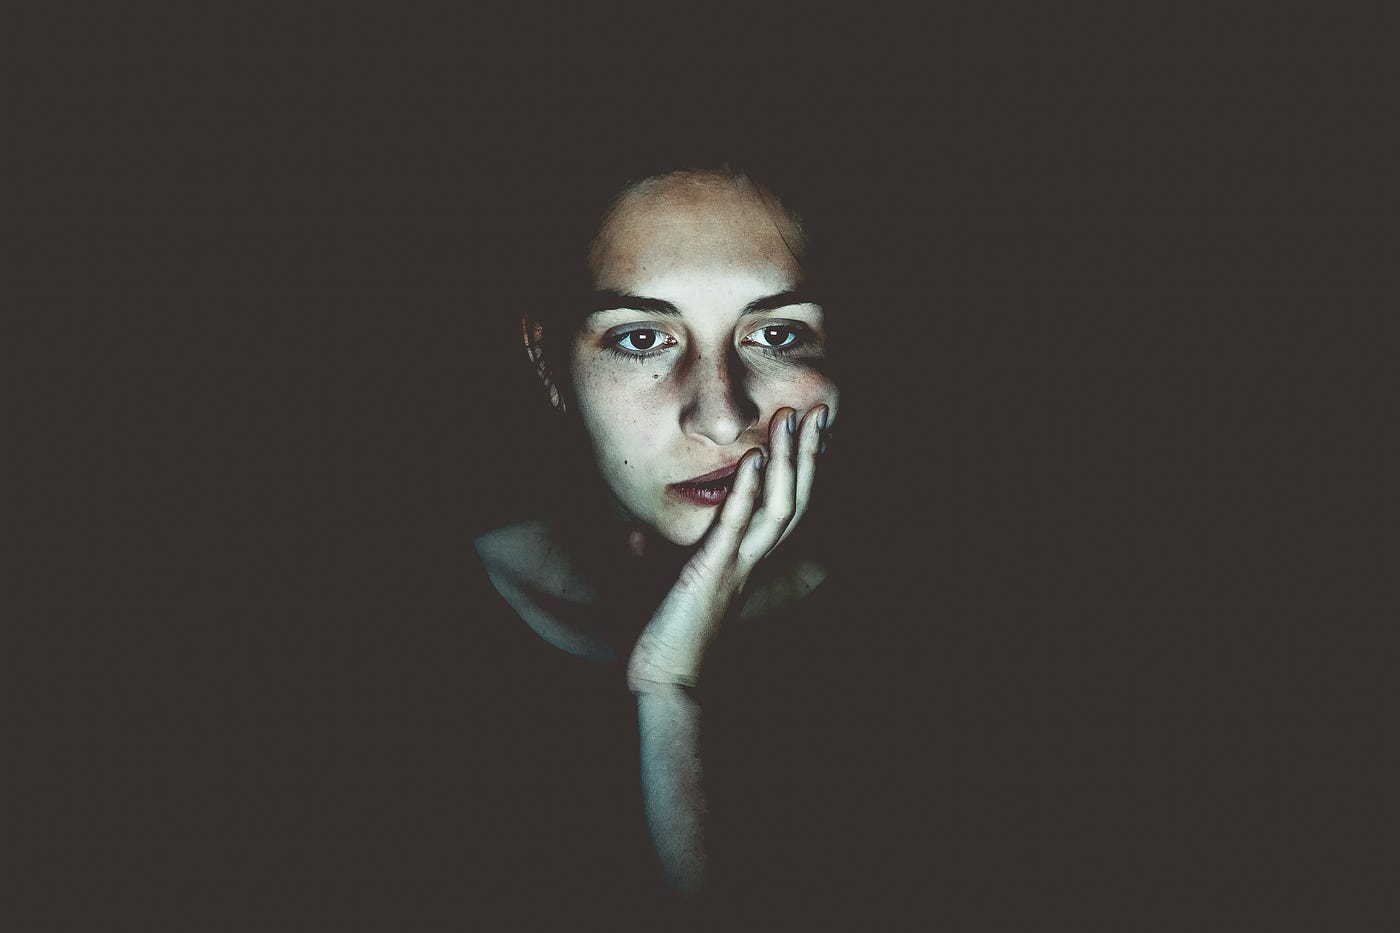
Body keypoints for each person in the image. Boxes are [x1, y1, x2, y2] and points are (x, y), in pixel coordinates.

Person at [470, 161, 889, 917]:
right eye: (640, 338)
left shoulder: (925, 645)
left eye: (778, 333)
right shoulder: (389, 623)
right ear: (548, 362)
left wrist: (671, 691)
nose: (722, 416)